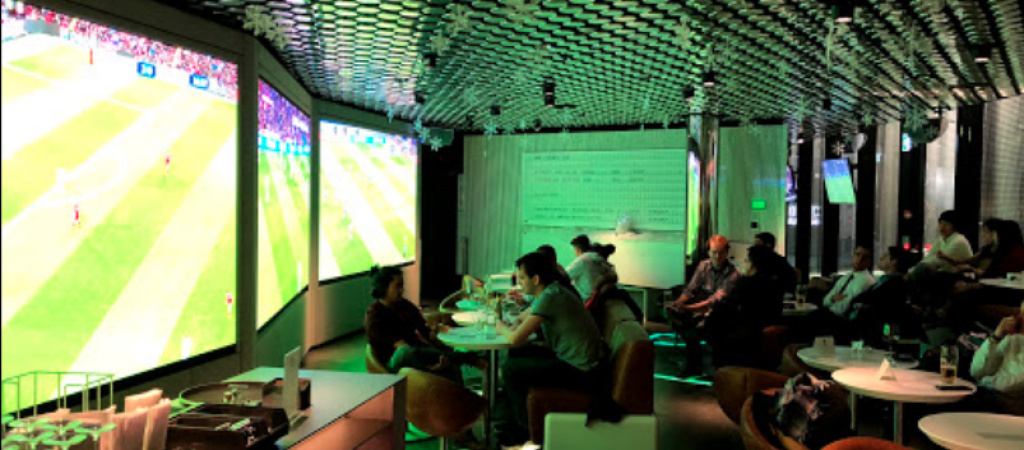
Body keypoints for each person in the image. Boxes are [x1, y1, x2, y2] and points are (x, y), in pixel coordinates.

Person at [496, 252, 607, 446]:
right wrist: (512, 324)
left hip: (582, 371)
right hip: (579, 361)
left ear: (536, 279)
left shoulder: (551, 297)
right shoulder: (552, 291)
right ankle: (509, 419)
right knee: (518, 353)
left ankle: (525, 431)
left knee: (511, 369)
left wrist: (499, 326)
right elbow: (521, 320)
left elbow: (515, 338)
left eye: (522, 278)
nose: (519, 283)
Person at [363, 266, 480, 382]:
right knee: (405, 352)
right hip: (393, 365)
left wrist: (435, 332)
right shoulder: (374, 316)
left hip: (416, 354)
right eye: (398, 286)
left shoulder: (404, 305)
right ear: (384, 288)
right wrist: (428, 366)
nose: (402, 290)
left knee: (448, 364)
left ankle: (459, 380)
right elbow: (402, 347)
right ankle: (467, 358)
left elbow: (424, 330)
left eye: (402, 285)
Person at [665, 235, 740, 375]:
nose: (718, 256)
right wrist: (679, 302)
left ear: (727, 253)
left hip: (721, 312)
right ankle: (694, 364)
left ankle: (699, 366)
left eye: (721, 252)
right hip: (701, 306)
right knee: (679, 318)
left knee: (695, 329)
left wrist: (687, 308)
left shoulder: (733, 273)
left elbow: (715, 300)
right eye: (714, 252)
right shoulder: (703, 265)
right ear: (708, 252)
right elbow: (691, 289)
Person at [708, 245, 785, 368]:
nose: (744, 264)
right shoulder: (776, 283)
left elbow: (727, 305)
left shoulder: (745, 283)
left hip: (745, 336)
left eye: (746, 261)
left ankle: (720, 370)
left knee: (715, 323)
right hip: (766, 335)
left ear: (753, 265)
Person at [848, 247, 921, 348]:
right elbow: (858, 300)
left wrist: (862, 305)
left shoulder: (896, 285)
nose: (881, 258)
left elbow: (880, 306)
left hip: (876, 331)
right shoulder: (882, 281)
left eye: (885, 256)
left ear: (894, 262)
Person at [913, 210, 974, 276]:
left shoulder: (959, 241)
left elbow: (940, 262)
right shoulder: (941, 240)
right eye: (941, 223)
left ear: (955, 226)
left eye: (947, 224)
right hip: (946, 274)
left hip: (961, 277)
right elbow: (928, 258)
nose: (942, 227)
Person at [566, 235, 616, 302]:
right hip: (598, 296)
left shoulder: (581, 261)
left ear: (577, 249)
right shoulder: (599, 259)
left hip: (586, 299)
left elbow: (564, 276)